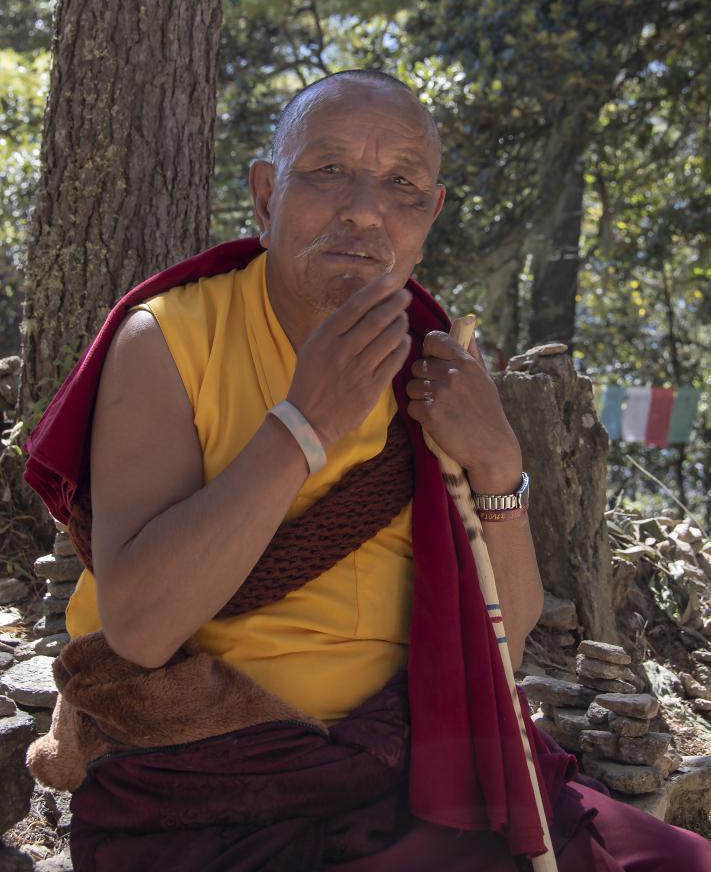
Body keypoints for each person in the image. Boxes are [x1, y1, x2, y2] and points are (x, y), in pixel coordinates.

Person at [25, 70, 711, 871]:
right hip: (213, 784)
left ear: (430, 216)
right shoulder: (171, 340)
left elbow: (506, 638)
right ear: (264, 194)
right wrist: (302, 425)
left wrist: (497, 462)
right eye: (326, 172)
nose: (362, 210)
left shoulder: (429, 363)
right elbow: (139, 628)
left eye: (401, 186)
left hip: (410, 766)